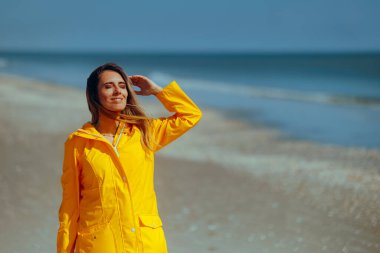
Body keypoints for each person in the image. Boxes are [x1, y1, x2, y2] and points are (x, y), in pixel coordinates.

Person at [57, 62, 202, 253]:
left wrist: (157, 91)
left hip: (146, 242)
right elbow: (70, 207)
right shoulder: (78, 143)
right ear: (94, 95)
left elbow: (190, 115)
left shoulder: (145, 132)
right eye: (108, 86)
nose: (118, 91)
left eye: (122, 86)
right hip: (100, 244)